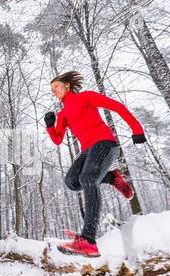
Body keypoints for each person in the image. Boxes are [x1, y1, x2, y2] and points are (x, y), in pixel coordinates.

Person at [45, 71, 146, 257]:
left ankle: (88, 240)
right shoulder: (63, 113)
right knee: (72, 182)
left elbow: (116, 106)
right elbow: (58, 139)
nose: (54, 91)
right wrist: (50, 125)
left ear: (67, 85)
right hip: (87, 150)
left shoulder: (86, 97)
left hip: (105, 143)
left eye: (56, 87)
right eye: (52, 90)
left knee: (88, 178)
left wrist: (137, 129)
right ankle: (111, 177)